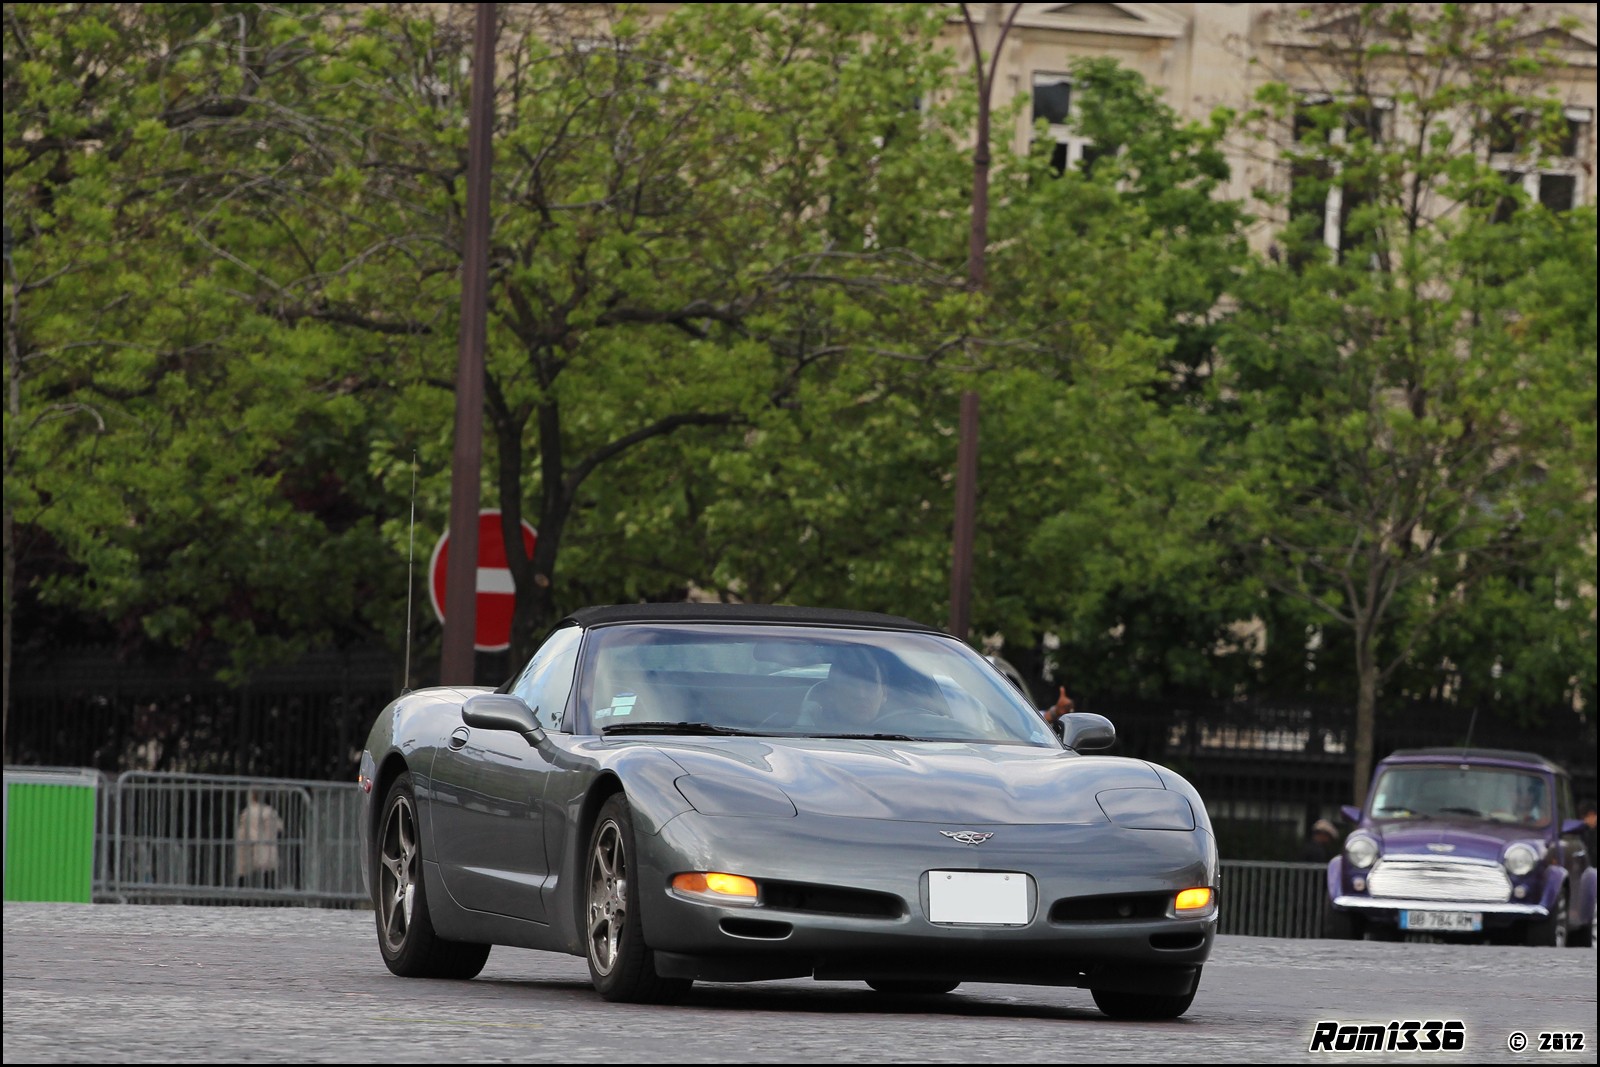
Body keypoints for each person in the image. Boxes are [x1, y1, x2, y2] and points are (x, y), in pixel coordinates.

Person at [235, 790, 284, 890]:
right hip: (268, 847)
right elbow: (280, 827)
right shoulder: (271, 811)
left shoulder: (248, 812)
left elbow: (247, 831)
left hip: (252, 848)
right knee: (268, 876)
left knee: (247, 876)